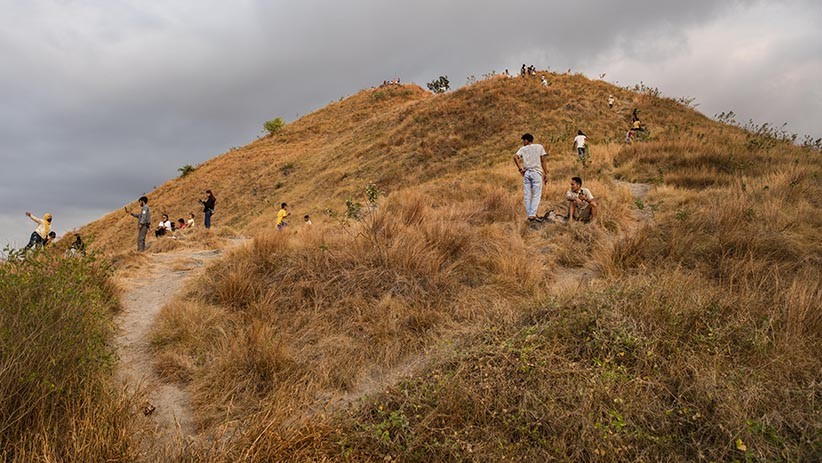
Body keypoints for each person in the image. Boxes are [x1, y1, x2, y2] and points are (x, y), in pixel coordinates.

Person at [513, 133, 549, 222]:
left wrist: (520, 169)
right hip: (536, 173)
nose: (523, 142)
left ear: (527, 140)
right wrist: (546, 173)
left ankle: (530, 214)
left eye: (523, 140)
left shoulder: (523, 149)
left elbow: (515, 157)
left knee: (527, 195)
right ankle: (532, 215)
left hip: (527, 173)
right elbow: (543, 160)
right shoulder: (539, 147)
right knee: (536, 194)